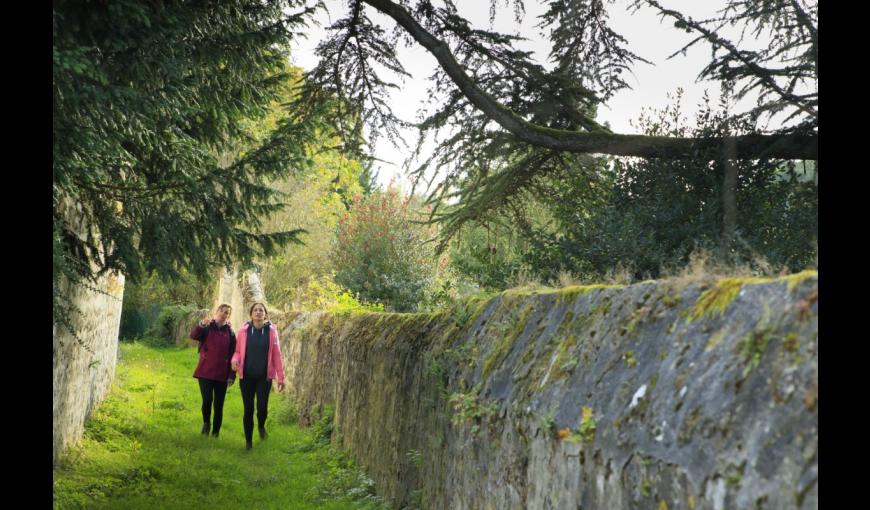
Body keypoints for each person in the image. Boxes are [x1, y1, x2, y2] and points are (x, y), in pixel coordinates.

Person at [231, 302, 285, 450]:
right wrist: (235, 360)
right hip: (246, 377)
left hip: (264, 378)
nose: (258, 312)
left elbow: (277, 355)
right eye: (255, 310)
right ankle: (248, 442)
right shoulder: (244, 331)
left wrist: (281, 377)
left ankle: (261, 426)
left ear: (265, 314)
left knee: (262, 408)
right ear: (251, 314)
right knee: (248, 409)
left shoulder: (272, 332)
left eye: (261, 310)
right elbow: (237, 351)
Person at [190, 304, 236, 438]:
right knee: (207, 400)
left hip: (222, 374)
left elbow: (234, 355)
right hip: (205, 372)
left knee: (219, 405)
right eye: (222, 311)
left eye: (227, 313)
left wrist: (232, 375)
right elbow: (193, 335)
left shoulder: (231, 333)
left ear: (228, 316)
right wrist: (201, 324)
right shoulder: (207, 327)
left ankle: (216, 432)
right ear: (216, 312)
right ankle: (206, 424)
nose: (224, 314)